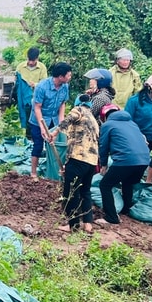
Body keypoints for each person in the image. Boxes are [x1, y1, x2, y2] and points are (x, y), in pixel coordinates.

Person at [96, 104, 150, 225]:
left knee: (105, 185)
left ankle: (111, 217)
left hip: (126, 160)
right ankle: (126, 209)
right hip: (144, 161)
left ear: (104, 117)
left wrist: (103, 165)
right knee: (128, 182)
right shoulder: (132, 123)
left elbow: (103, 146)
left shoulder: (107, 125)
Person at [55, 95, 100, 233]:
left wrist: (55, 132)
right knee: (85, 191)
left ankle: (73, 225)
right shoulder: (94, 120)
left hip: (78, 158)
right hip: (92, 161)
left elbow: (69, 119)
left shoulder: (78, 109)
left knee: (71, 192)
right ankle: (88, 224)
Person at [28, 62, 72, 181]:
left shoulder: (65, 86)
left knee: (53, 144)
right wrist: (42, 127)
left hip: (54, 119)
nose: (70, 77)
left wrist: (61, 120)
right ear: (60, 77)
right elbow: (37, 107)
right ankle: (33, 173)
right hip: (39, 120)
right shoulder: (42, 87)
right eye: (68, 75)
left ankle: (52, 170)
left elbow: (63, 103)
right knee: (38, 145)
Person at [15, 46, 47, 132]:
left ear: (37, 58)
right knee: (23, 113)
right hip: (23, 96)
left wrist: (35, 85)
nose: (30, 62)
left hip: (36, 96)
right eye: (29, 60)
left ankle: (33, 132)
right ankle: (25, 132)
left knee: (35, 115)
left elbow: (44, 84)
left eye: (33, 60)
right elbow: (16, 81)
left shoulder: (42, 68)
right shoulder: (20, 67)